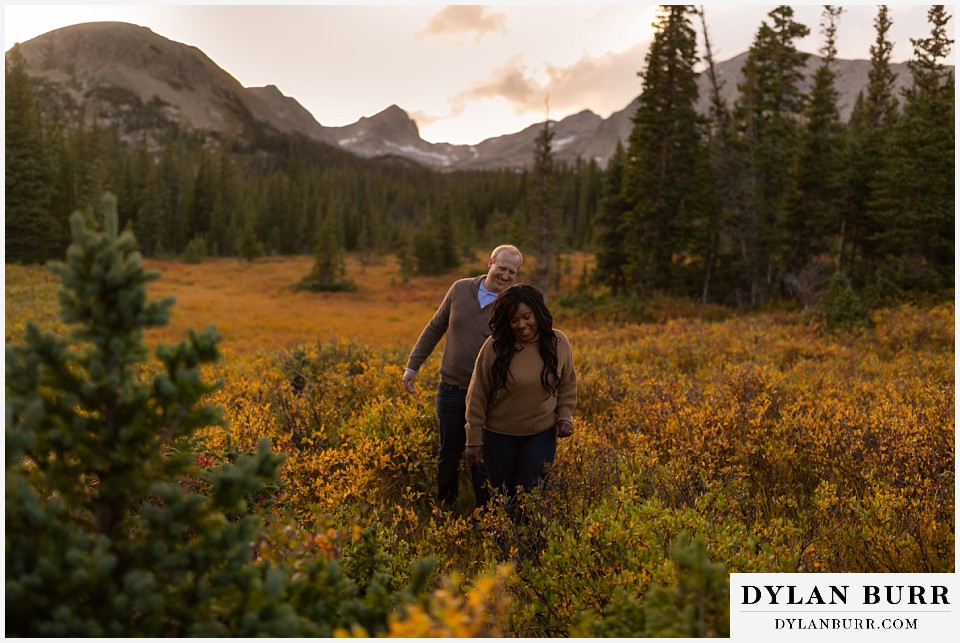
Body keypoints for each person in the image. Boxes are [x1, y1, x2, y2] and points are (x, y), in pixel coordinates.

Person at [402, 244, 524, 512]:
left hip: (488, 395)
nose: (505, 276)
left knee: (480, 455)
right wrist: (413, 366)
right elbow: (435, 327)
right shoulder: (460, 289)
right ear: (490, 262)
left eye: (512, 273)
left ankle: (484, 515)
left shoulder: (513, 303)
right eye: (502, 268)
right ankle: (446, 507)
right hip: (451, 389)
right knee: (448, 452)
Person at [464, 283, 577, 506]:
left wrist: (564, 416)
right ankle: (504, 541)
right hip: (498, 436)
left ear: (538, 313)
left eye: (527, 317)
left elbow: (568, 384)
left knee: (531, 496)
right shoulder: (494, 347)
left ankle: (529, 540)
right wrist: (474, 439)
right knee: (502, 499)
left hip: (540, 434)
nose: (521, 325)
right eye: (514, 320)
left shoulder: (558, 342)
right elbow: (477, 394)